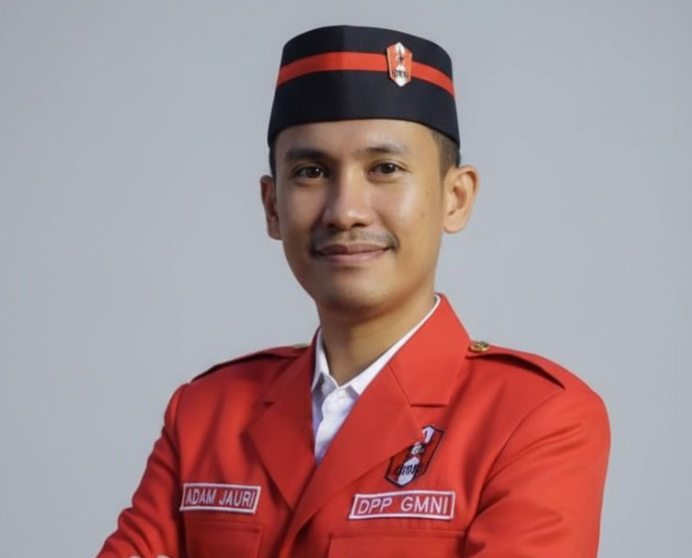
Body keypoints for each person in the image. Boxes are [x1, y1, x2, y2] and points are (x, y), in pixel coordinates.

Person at [97, 25, 610, 558]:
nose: (345, 211)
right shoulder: (205, 415)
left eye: (385, 169)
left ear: (455, 198)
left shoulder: (534, 419)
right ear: (272, 207)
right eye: (311, 172)